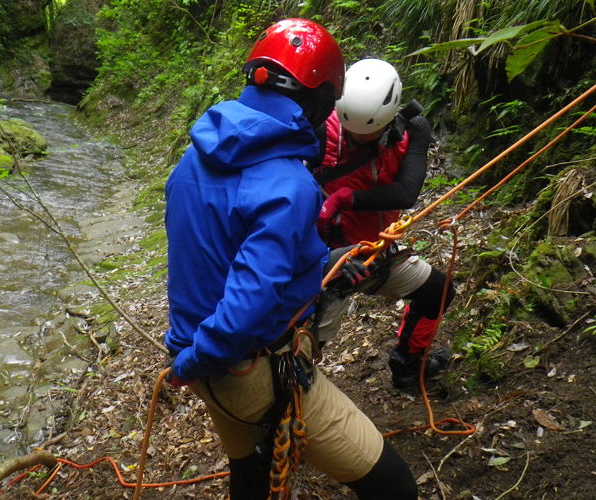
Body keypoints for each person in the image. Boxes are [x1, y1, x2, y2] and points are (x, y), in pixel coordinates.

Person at [164, 19, 418, 500]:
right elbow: (247, 307)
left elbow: (209, 256)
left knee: (252, 474)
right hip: (243, 368)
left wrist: (184, 351)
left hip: (202, 355)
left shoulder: (192, 160)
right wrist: (194, 362)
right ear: (321, 99)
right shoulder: (288, 183)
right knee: (396, 487)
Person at [310, 58, 456, 389]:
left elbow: (406, 193)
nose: (356, 139)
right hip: (328, 260)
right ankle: (284, 403)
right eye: (351, 132)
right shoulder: (322, 130)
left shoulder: (413, 129)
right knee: (308, 342)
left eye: (367, 133)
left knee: (438, 291)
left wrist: (347, 198)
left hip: (376, 250)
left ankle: (408, 367)